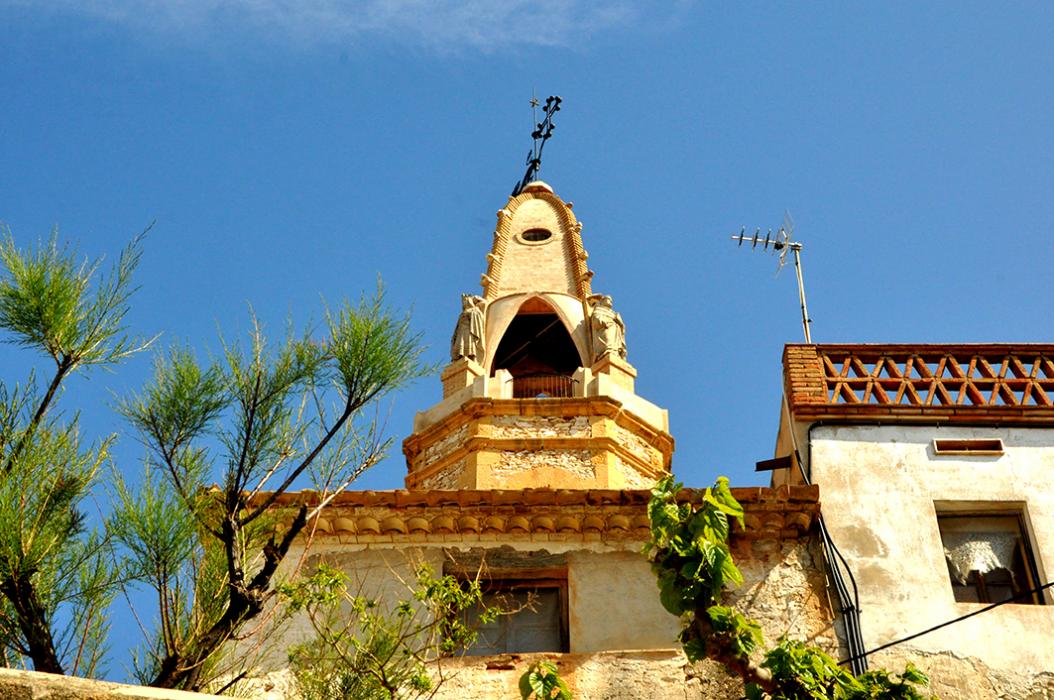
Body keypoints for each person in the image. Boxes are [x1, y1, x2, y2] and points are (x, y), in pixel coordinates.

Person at [590, 294, 626, 362]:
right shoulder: (599, 309)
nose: (610, 302)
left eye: (611, 301)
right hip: (605, 327)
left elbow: (622, 326)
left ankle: (614, 353)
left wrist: (620, 323)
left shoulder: (614, 313)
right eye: (608, 300)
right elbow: (596, 318)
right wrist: (604, 322)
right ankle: (607, 352)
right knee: (607, 339)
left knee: (613, 345)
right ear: (603, 301)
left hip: (614, 329)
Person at [450, 294, 485, 362]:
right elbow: (458, 326)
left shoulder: (474, 310)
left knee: (470, 343)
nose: (464, 303)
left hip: (469, 331)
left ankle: (472, 357)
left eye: (466, 301)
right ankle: (459, 357)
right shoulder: (463, 313)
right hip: (461, 332)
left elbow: (484, 303)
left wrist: (475, 298)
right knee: (460, 344)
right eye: (463, 302)